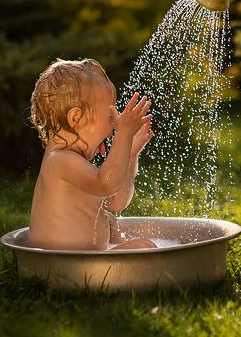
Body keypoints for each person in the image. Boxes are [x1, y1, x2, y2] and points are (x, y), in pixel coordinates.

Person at [28, 58, 156, 251]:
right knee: (144, 247)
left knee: (109, 219)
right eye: (109, 118)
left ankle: (120, 249)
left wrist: (130, 156)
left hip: (82, 260)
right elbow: (107, 184)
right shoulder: (60, 161)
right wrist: (124, 134)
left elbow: (116, 202)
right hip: (65, 262)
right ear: (76, 118)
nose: (113, 127)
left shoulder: (73, 163)